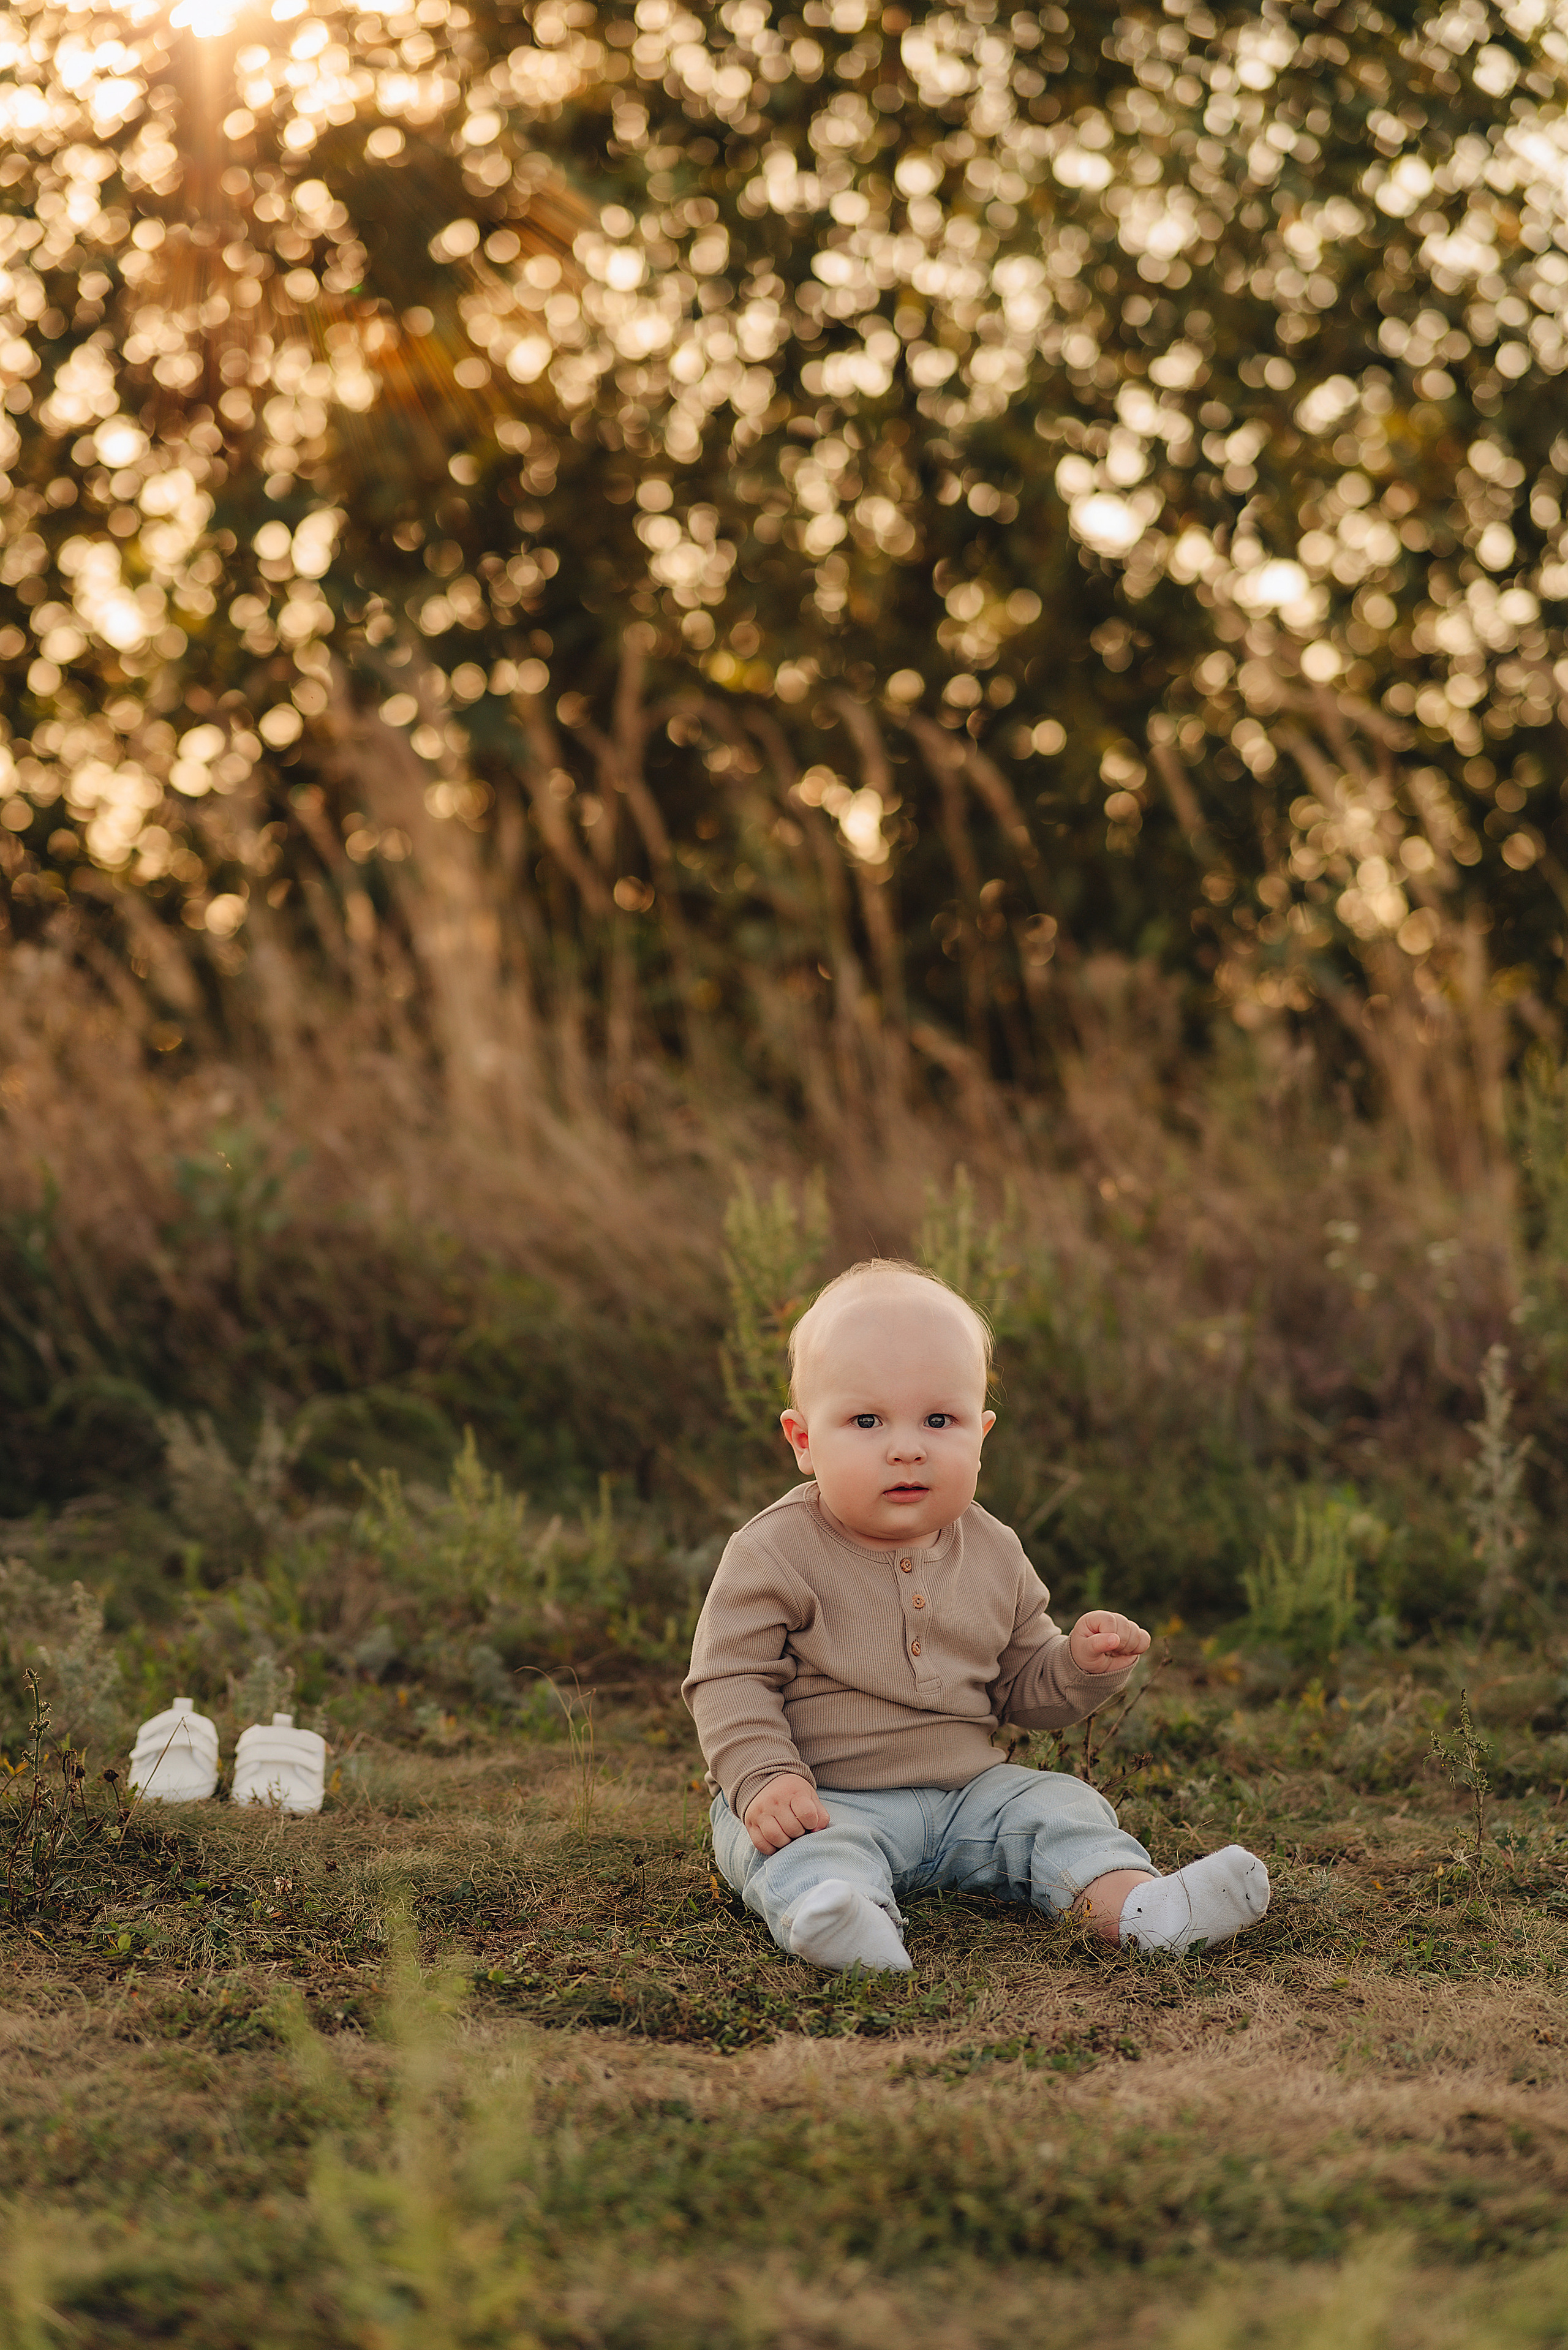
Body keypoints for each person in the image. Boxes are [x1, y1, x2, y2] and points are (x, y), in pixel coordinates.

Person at [683, 1257, 1270, 1975]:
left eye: (939, 1420)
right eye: (866, 1421)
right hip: (825, 1797)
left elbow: (1022, 1687)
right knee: (792, 1847)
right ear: (804, 1441)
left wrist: (1077, 1666)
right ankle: (844, 1918)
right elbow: (729, 1678)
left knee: (1059, 1805)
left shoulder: (994, 1549)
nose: (907, 1447)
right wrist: (766, 1777)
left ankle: (1138, 1909)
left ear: (981, 1434)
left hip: (967, 1799)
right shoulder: (774, 1551)